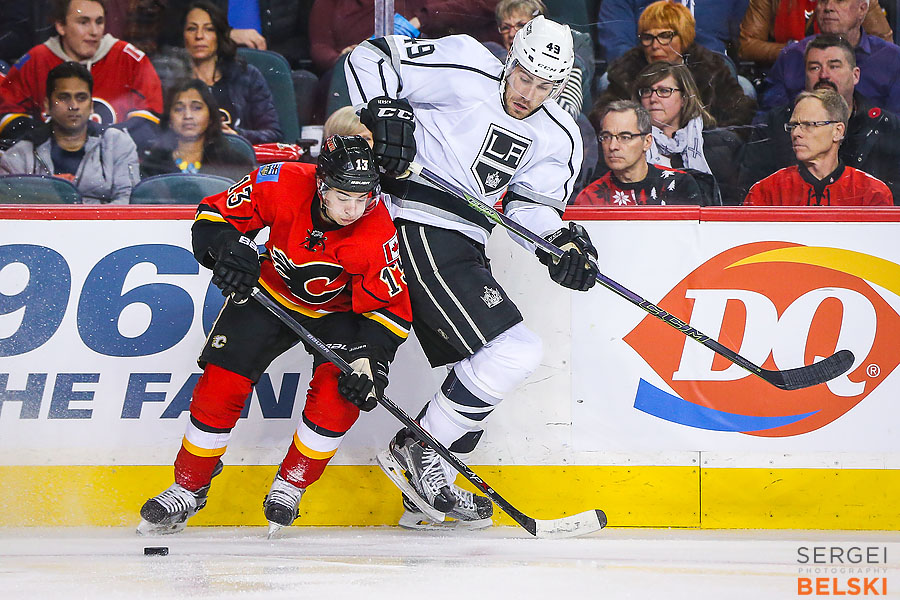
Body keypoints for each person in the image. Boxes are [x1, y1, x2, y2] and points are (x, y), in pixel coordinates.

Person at [347, 15, 598, 529]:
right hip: (412, 222)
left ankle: (424, 490)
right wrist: (383, 111)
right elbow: (367, 57)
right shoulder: (464, 64)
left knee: (487, 369)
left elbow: (531, 208)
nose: (530, 92)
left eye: (545, 85)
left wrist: (560, 242)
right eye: (525, 76)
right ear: (511, 58)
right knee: (514, 349)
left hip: (467, 241)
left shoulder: (560, 135)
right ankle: (420, 450)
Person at [137, 135, 413, 535]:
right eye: (343, 196)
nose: (354, 209)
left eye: (363, 197)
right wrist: (227, 249)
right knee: (221, 383)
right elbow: (213, 217)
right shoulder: (279, 181)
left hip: (338, 315)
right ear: (321, 185)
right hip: (268, 293)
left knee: (341, 393)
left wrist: (369, 360)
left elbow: (389, 308)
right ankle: (189, 485)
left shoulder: (376, 232)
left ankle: (291, 484)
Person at [741, 34, 900, 204]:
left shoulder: (887, 127)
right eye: (814, 68)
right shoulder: (774, 124)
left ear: (855, 75)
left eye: (834, 66)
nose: (824, 75)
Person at [0, 0, 162, 149]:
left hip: (115, 167)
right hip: (49, 169)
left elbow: (148, 126)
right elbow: (7, 118)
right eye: (83, 22)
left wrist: (97, 141)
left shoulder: (130, 60)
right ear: (60, 26)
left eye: (99, 22)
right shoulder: (35, 60)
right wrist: (52, 138)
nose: (94, 31)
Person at [598, 0, 757, 127]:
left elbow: (740, 115)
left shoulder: (711, 68)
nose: (655, 45)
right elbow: (602, 115)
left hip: (704, 148)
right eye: (648, 38)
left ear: (684, 38)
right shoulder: (628, 69)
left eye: (665, 36)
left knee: (745, 87)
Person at [0, 61, 139, 203]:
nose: (73, 106)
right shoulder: (21, 154)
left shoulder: (117, 144)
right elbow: (9, 208)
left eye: (81, 98)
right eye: (64, 98)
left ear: (91, 106)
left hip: (103, 225)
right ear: (47, 105)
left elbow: (129, 201)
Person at [154, 0, 283, 144]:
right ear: (182, 35)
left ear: (219, 35)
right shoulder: (169, 81)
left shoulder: (247, 76)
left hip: (239, 162)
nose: (199, 36)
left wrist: (236, 135)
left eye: (209, 29)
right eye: (192, 29)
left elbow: (274, 134)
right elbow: (156, 132)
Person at [744, 88, 892, 205]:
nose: (796, 133)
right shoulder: (766, 192)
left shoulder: (872, 193)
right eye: (793, 125)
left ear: (837, 131)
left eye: (809, 125)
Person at [631, 61, 744, 205]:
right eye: (647, 91)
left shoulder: (722, 145)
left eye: (664, 91)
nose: (653, 99)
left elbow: (733, 205)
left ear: (684, 98)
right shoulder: (625, 144)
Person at [760, 0, 900, 113]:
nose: (828, 7)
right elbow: (770, 120)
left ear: (862, 9)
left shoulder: (892, 59)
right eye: (823, 1)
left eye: (839, 1)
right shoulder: (791, 56)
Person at [575, 100, 704, 205]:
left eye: (625, 137)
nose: (613, 146)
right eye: (606, 137)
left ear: (647, 142)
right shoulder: (590, 197)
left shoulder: (678, 185)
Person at [485, 0, 594, 120]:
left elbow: (568, 113)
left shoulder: (566, 62)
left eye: (521, 25)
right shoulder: (492, 53)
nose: (512, 33)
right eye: (505, 27)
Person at [140, 78, 256, 181]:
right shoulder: (152, 166)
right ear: (169, 120)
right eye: (179, 109)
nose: (188, 116)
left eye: (196, 108)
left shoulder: (235, 164)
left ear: (211, 116)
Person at [739, 0, 891, 65]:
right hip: (791, 69)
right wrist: (797, 50)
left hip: (850, 71)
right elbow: (747, 45)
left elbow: (883, 43)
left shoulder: (858, 2)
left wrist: (838, 57)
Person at [596, 0, 749, 62]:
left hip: (710, 73)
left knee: (744, 88)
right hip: (646, 71)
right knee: (607, 81)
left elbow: (742, 44)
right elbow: (617, 45)